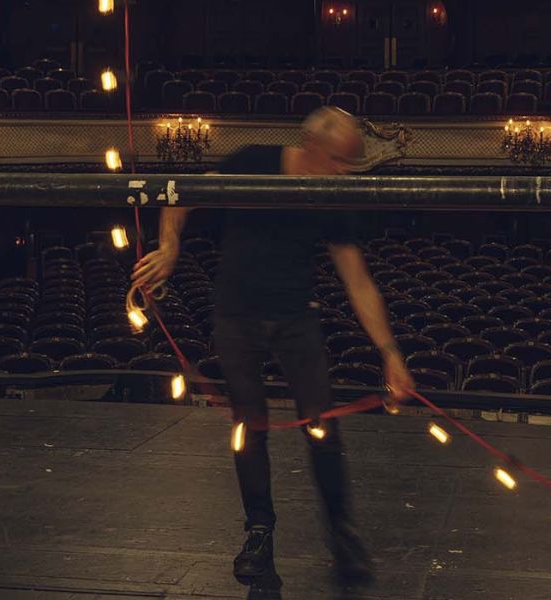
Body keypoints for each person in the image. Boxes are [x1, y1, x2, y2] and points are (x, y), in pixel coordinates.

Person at [131, 107, 414, 584]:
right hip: (236, 315)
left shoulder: (333, 196)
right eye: (338, 160)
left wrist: (390, 353)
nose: (343, 173)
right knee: (249, 426)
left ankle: (342, 533)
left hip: (296, 318)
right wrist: (170, 246)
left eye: (349, 164)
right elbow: (184, 192)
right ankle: (259, 533)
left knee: (322, 426)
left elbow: (358, 280)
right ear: (311, 146)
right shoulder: (253, 162)